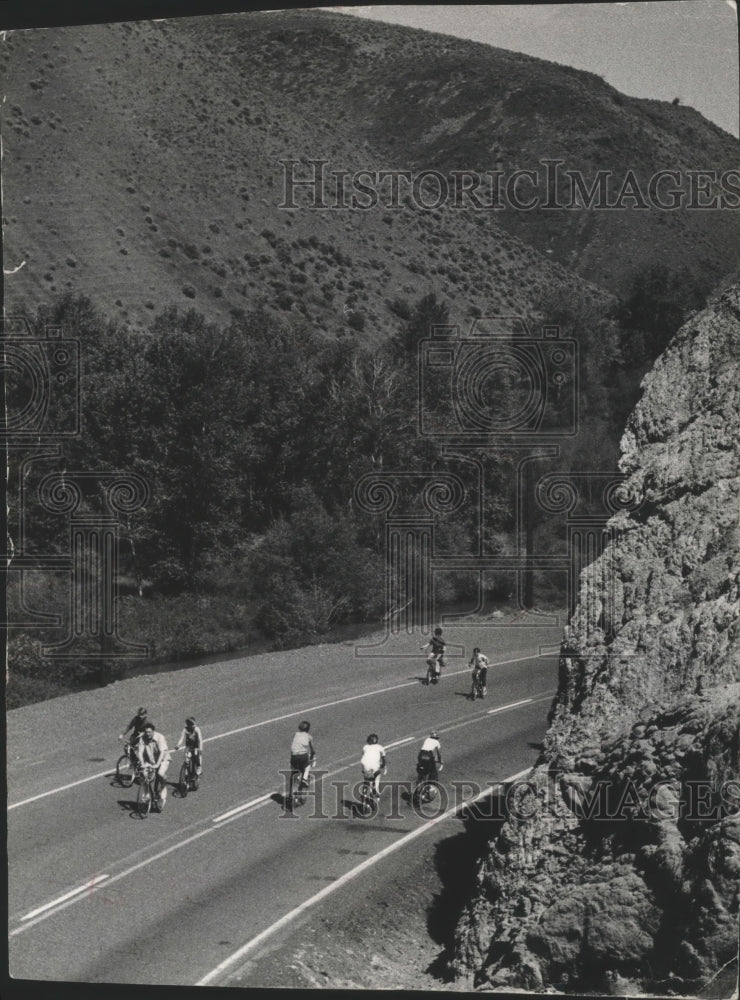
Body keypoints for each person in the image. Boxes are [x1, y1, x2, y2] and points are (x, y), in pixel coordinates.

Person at [136, 721, 171, 802]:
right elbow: (140, 752)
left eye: (149, 732)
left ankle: (163, 786)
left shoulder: (160, 737)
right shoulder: (143, 738)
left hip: (163, 759)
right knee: (143, 775)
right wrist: (142, 763)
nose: (148, 734)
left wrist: (157, 764)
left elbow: (162, 752)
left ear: (153, 731)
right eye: (146, 732)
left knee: (160, 773)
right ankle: (147, 794)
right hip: (151, 760)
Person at [289, 720, 316, 796]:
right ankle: (304, 779)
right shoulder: (309, 737)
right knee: (307, 766)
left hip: (293, 756)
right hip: (303, 756)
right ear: (308, 729)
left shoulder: (295, 734)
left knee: (294, 770)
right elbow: (312, 749)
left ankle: (291, 792)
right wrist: (313, 754)